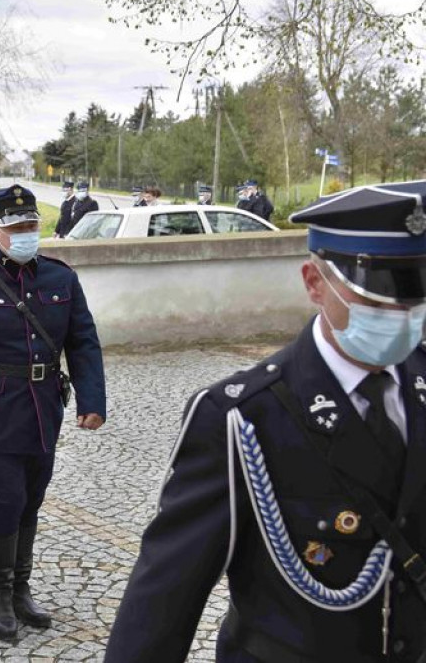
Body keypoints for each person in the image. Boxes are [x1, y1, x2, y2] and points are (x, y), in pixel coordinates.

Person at [104, 183, 426, 662]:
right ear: (315, 283)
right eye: (377, 301)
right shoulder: (243, 416)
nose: (402, 316)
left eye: (416, 299)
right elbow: (165, 595)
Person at [0, 184, 106, 640]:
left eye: (30, 225)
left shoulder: (61, 279)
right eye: (15, 228)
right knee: (7, 499)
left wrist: (92, 400)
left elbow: (83, 342)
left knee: (31, 499)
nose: (24, 234)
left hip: (43, 410)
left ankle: (20, 590)